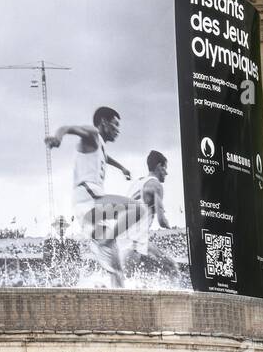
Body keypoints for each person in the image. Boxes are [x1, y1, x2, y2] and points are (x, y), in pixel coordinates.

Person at [44, 106, 145, 288]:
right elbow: (69, 128)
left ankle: (118, 302)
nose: (118, 130)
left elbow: (105, 157)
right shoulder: (92, 133)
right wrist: (58, 137)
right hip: (89, 201)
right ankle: (105, 239)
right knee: (138, 209)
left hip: (89, 210)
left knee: (116, 270)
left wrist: (122, 168)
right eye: (115, 125)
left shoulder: (100, 146)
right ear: (104, 122)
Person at [125, 150, 180, 275]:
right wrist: (169, 225)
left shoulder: (136, 183)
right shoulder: (156, 185)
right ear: (159, 167)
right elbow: (161, 221)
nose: (166, 173)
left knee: (130, 282)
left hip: (122, 239)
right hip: (135, 242)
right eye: (165, 168)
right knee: (172, 268)